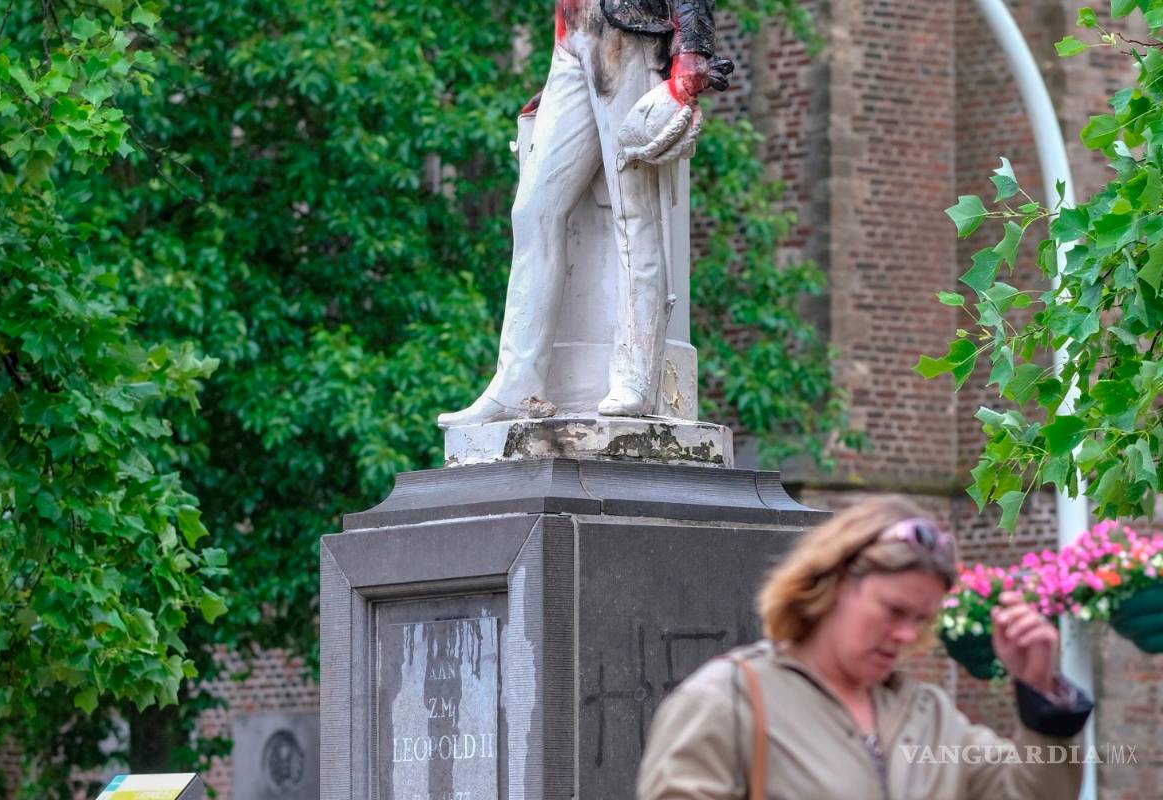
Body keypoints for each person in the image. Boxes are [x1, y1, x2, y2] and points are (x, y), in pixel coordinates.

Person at [637, 496, 1094, 800]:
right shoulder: (727, 703)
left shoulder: (929, 715)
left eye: (920, 619)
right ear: (833, 582)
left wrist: (1040, 697)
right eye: (893, 610)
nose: (906, 635)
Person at [437, 0, 732, 428]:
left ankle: (635, 375)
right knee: (533, 210)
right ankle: (517, 384)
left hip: (628, 31)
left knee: (633, 211)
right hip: (572, 37)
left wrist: (693, 50)